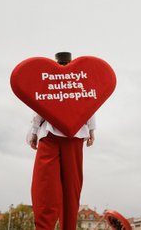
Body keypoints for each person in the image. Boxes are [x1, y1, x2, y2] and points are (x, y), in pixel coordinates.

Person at [26, 52, 96, 230]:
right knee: (48, 186)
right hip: (56, 134)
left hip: (67, 134)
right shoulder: (53, 81)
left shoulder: (75, 81)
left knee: (60, 187)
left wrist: (92, 129)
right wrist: (34, 130)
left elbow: (89, 102)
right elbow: (41, 104)